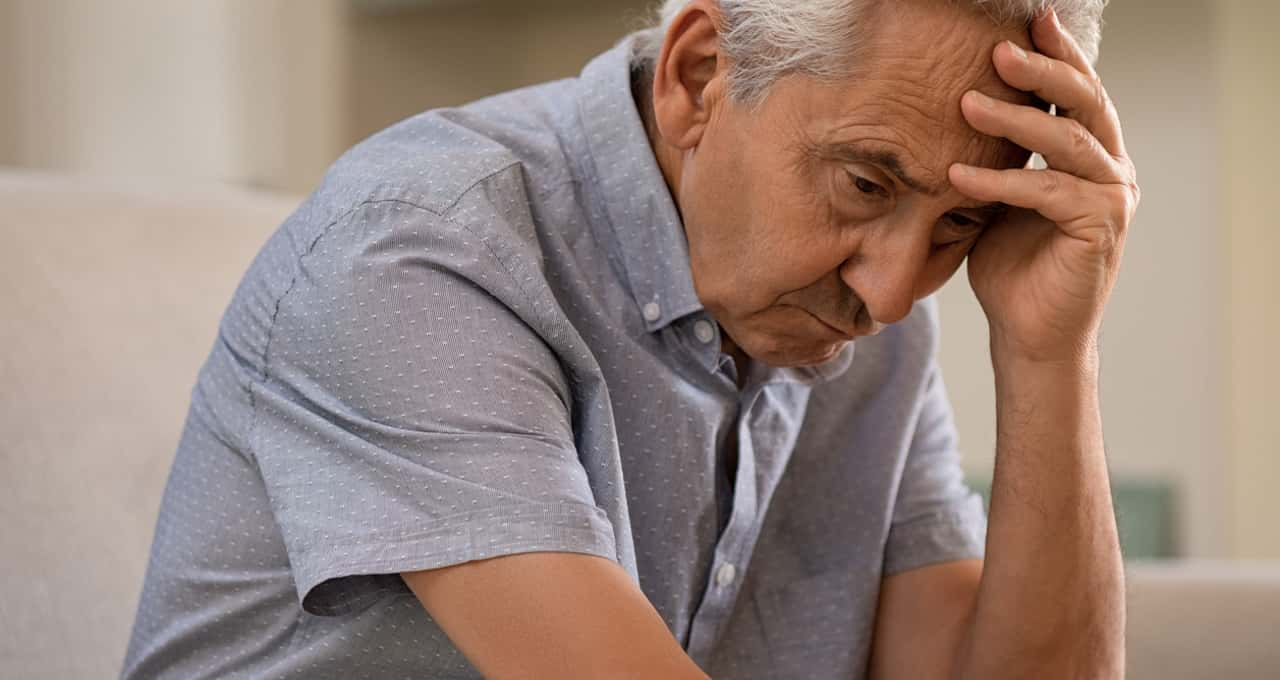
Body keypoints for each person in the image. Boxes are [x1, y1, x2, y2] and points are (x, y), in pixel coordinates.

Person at [122, 0, 1138, 677]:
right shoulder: (421, 249)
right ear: (699, 74)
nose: (889, 292)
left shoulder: (864, 321)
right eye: (864, 183)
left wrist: (1050, 353)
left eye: (956, 225)